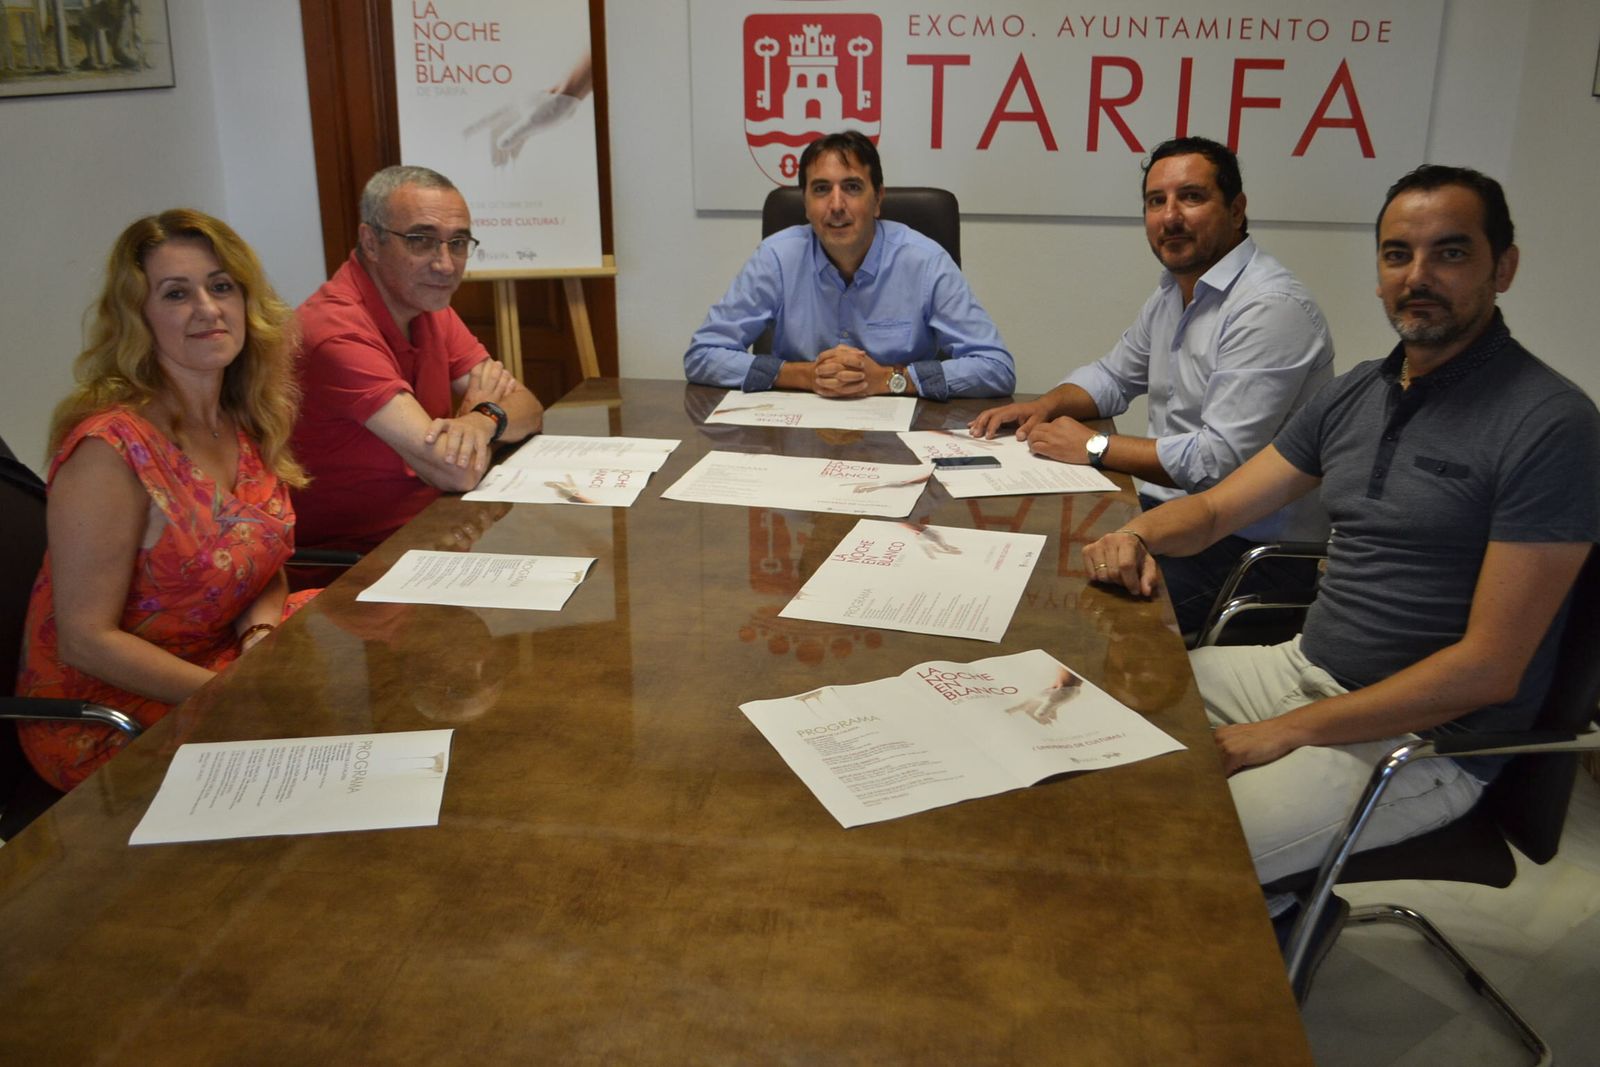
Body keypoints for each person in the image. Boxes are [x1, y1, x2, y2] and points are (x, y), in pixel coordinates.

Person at [1082, 165, 1600, 923]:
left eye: (1450, 253)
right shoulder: (1360, 390)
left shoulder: (1549, 424)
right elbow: (1220, 507)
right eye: (1397, 254)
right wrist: (1135, 530)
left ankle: (1284, 921)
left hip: (1421, 737)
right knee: (1083, 720)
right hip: (1304, 668)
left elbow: (1489, 669)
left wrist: (1282, 734)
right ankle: (1283, 901)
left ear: (1505, 266)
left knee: (1163, 854)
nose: (1418, 276)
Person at [969, 137, 1334, 634]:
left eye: (1191, 197)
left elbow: (1217, 462)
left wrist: (1096, 446)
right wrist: (1045, 406)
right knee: (1026, 558)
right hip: (1170, 519)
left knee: (1067, 613)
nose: (1170, 216)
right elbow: (1113, 375)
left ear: (1237, 209)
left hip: (1248, 551)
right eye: (1155, 201)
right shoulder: (1175, 292)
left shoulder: (1270, 308)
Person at [15, 209, 319, 791]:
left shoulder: (240, 416)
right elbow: (85, 640)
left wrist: (257, 640)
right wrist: (236, 695)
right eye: (177, 293)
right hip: (116, 718)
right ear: (139, 319)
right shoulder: (109, 449)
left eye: (221, 286)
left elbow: (261, 563)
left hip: (220, 665)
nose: (207, 308)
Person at [291, 165, 544, 552]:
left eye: (458, 243)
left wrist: (481, 420)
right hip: (357, 567)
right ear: (371, 242)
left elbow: (529, 407)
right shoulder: (335, 331)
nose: (445, 264)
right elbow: (455, 471)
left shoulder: (426, 302)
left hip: (440, 527)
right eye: (421, 240)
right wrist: (479, 415)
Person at [684, 130, 1015, 401]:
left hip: (898, 441)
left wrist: (888, 378)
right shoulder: (777, 257)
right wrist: (803, 375)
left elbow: (996, 367)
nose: (837, 205)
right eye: (821, 189)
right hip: (797, 438)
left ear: (878, 200)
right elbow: (702, 355)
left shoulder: (925, 261)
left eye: (852, 187)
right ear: (806, 205)